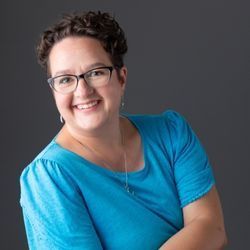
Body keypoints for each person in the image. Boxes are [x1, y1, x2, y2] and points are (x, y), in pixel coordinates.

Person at [19, 11, 227, 250]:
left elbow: (212, 228)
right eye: (65, 79)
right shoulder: (48, 178)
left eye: (96, 73)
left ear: (121, 78)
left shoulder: (171, 133)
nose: (82, 91)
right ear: (54, 91)